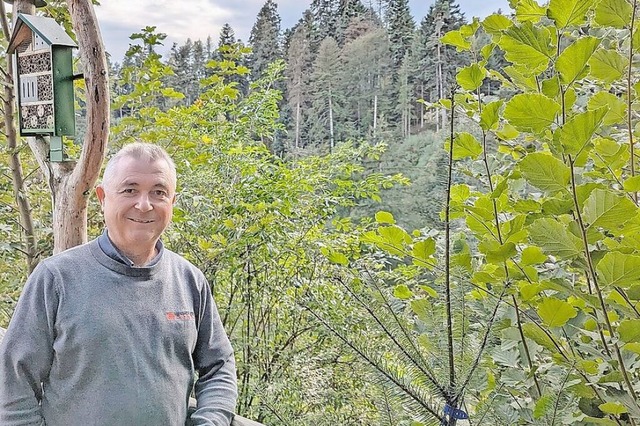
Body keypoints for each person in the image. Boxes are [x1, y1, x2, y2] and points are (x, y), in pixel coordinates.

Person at [0, 142, 238, 425]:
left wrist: (211, 421)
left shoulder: (189, 280)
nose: (144, 204)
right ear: (103, 197)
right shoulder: (56, 278)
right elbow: (14, 383)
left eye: (159, 193)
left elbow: (219, 366)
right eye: (130, 190)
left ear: (172, 203)